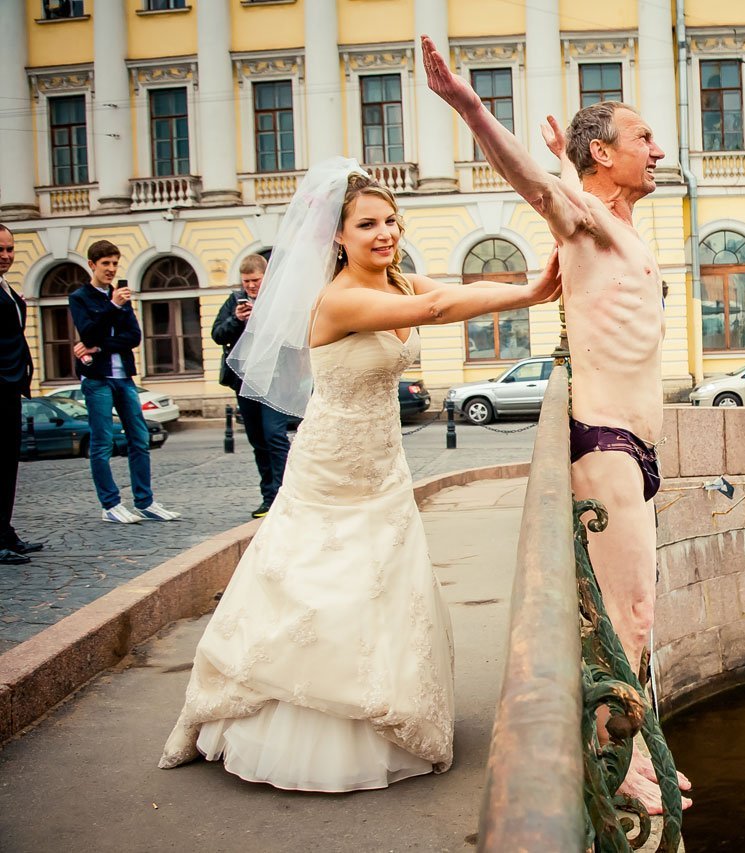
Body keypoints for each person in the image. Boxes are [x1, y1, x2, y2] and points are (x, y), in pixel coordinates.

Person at [159, 159, 561, 792]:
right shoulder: (341, 298)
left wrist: (530, 289)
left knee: (386, 583)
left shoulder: (398, 282)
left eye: (391, 221)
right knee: (321, 585)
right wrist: (531, 293)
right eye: (367, 223)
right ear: (337, 237)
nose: (384, 233)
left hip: (383, 462)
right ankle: (299, 718)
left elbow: (443, 295)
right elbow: (436, 309)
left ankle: (386, 709)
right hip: (331, 464)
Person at [422, 35, 691, 814]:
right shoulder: (589, 223)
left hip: (630, 447)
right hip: (607, 442)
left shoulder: (617, 227)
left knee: (632, 610)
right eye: (643, 138)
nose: (657, 149)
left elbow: (559, 183)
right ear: (604, 155)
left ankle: (632, 742)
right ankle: (618, 760)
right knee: (629, 612)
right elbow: (537, 185)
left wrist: (565, 163)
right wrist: (472, 107)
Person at [67, 241, 180, 523]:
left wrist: (101, 346)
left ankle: (145, 501)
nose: (111, 269)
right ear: (92, 265)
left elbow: (134, 338)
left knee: (139, 439)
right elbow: (89, 333)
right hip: (97, 380)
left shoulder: (121, 297)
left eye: (115, 263)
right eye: (105, 263)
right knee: (102, 443)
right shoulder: (80, 297)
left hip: (124, 378)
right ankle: (110, 505)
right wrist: (113, 308)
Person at [212, 254, 291, 518]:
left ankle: (285, 495)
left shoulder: (279, 301)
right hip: (245, 381)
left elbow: (291, 336)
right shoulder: (235, 301)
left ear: (265, 276)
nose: (251, 286)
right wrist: (236, 320)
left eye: (255, 280)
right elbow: (217, 335)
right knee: (258, 441)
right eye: (247, 282)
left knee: (274, 436)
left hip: (274, 380)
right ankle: (268, 497)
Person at [0, 224, 42, 565]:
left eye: (10, 249)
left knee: (8, 466)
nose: (6, 255)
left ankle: (5, 531)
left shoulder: (7, 288)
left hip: (11, 386)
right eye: (0, 249)